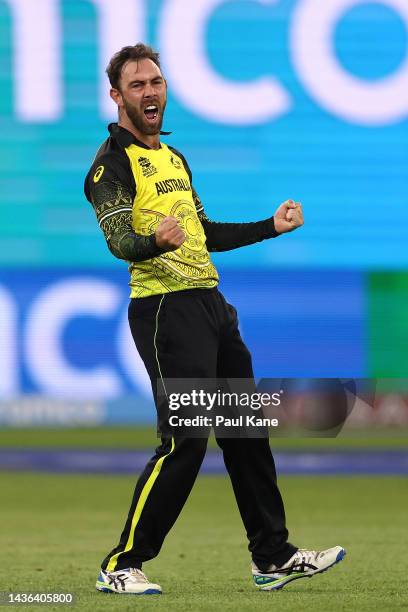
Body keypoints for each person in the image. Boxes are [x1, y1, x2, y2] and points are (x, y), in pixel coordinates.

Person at [84, 43, 345, 596]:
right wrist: (153, 240)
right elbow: (119, 241)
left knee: (246, 433)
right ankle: (121, 564)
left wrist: (269, 227)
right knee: (186, 440)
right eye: (137, 85)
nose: (151, 91)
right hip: (163, 311)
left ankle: (272, 557)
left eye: (156, 81)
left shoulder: (174, 160)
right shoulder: (110, 166)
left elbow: (207, 235)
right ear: (116, 96)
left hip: (211, 307)